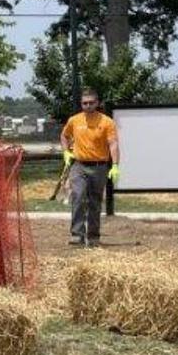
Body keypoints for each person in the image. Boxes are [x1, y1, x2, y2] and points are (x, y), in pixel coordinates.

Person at [60, 88, 120, 247]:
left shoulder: (107, 122)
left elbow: (113, 144)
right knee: (78, 197)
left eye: (91, 103)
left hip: (99, 167)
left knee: (95, 202)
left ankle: (93, 237)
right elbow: (64, 136)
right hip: (79, 165)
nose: (88, 106)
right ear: (81, 104)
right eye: (84, 103)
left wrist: (115, 165)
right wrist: (66, 152)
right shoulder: (74, 120)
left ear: (97, 103)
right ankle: (77, 235)